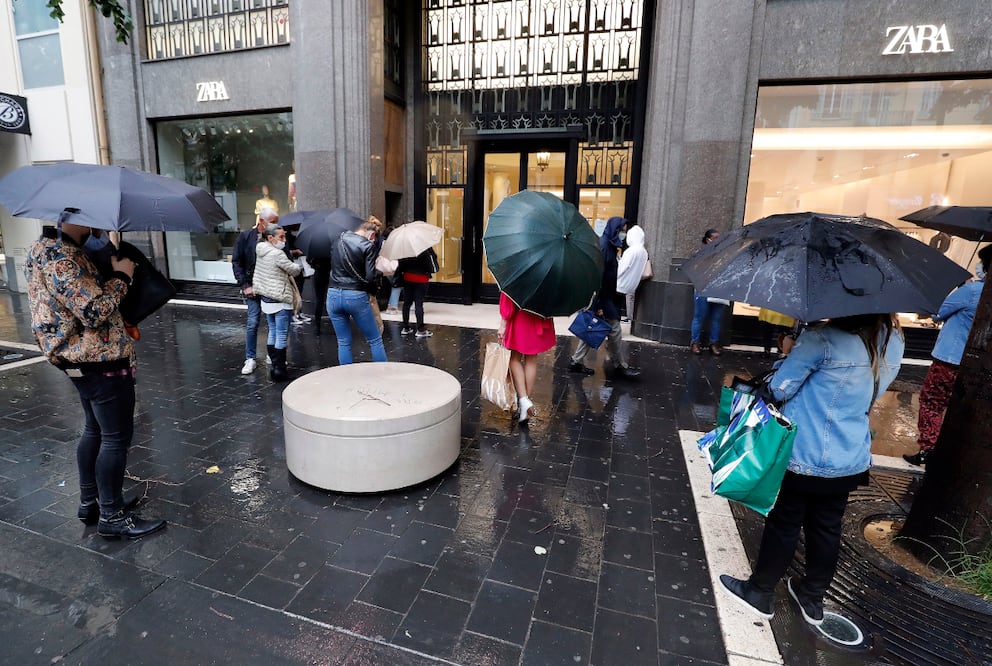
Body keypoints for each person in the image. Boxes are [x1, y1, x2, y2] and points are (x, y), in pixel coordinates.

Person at [719, 313, 904, 626]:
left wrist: (790, 351)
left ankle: (761, 591)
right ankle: (812, 598)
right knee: (827, 526)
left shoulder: (822, 339)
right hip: (850, 454)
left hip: (806, 452)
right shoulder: (893, 339)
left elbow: (779, 389)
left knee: (786, 521)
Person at [24, 223, 166, 539]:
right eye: (90, 219)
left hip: (78, 360)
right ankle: (112, 517)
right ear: (70, 216)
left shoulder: (42, 249)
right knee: (115, 438)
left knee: (95, 429)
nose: (97, 226)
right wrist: (123, 276)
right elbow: (93, 311)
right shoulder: (63, 257)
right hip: (99, 361)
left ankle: (92, 503)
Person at [903, 244, 990, 466]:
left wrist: (956, 291)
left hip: (949, 360)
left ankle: (928, 449)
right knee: (963, 408)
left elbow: (936, 312)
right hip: (979, 364)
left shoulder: (972, 291)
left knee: (933, 402)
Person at [569, 216, 641, 379]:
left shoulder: (609, 246)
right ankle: (620, 366)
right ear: (615, 230)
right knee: (614, 330)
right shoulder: (605, 248)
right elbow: (598, 278)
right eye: (622, 230)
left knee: (593, 328)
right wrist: (599, 305)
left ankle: (576, 361)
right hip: (603, 298)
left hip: (607, 297)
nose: (624, 234)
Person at [327, 217, 387, 364]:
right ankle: (384, 376)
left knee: (343, 341)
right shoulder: (368, 246)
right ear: (371, 235)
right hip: (356, 295)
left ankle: (346, 377)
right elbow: (370, 277)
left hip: (333, 294)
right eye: (374, 239)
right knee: (375, 340)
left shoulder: (337, 240)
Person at [252, 222, 302, 381]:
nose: (284, 240)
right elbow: (293, 270)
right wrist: (298, 264)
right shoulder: (277, 254)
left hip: (266, 299)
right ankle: (280, 370)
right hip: (280, 298)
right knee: (281, 334)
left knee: (272, 331)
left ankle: (274, 366)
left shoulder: (260, 250)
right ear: (270, 238)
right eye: (281, 237)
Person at [499, 292, 556, 424]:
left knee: (514, 359)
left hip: (520, 317)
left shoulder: (516, 273)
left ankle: (524, 399)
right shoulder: (545, 274)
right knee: (531, 360)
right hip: (537, 316)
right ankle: (525, 402)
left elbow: (508, 299)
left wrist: (503, 324)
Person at [232, 209, 271, 374]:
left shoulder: (274, 237)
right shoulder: (246, 236)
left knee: (273, 323)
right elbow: (237, 261)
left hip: (270, 287)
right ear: (262, 221)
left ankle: (272, 354)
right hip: (252, 286)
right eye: (272, 221)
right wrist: (245, 285)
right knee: (253, 322)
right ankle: (250, 358)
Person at [690, 228, 728, 355]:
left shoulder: (725, 254)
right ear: (708, 240)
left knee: (716, 318)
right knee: (699, 316)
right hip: (703, 289)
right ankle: (695, 342)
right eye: (716, 238)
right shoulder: (701, 253)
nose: (719, 241)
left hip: (719, 289)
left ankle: (714, 343)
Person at [398, 246, 439, 338]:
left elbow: (400, 267)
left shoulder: (405, 251)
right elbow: (434, 268)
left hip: (408, 278)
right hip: (421, 279)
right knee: (418, 304)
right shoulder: (425, 251)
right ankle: (420, 329)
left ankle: (405, 328)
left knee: (406, 304)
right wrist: (431, 252)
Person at [616, 223, 650, 324]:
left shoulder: (631, 251)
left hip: (621, 283)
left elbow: (622, 268)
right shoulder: (643, 251)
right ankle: (628, 318)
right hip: (633, 283)